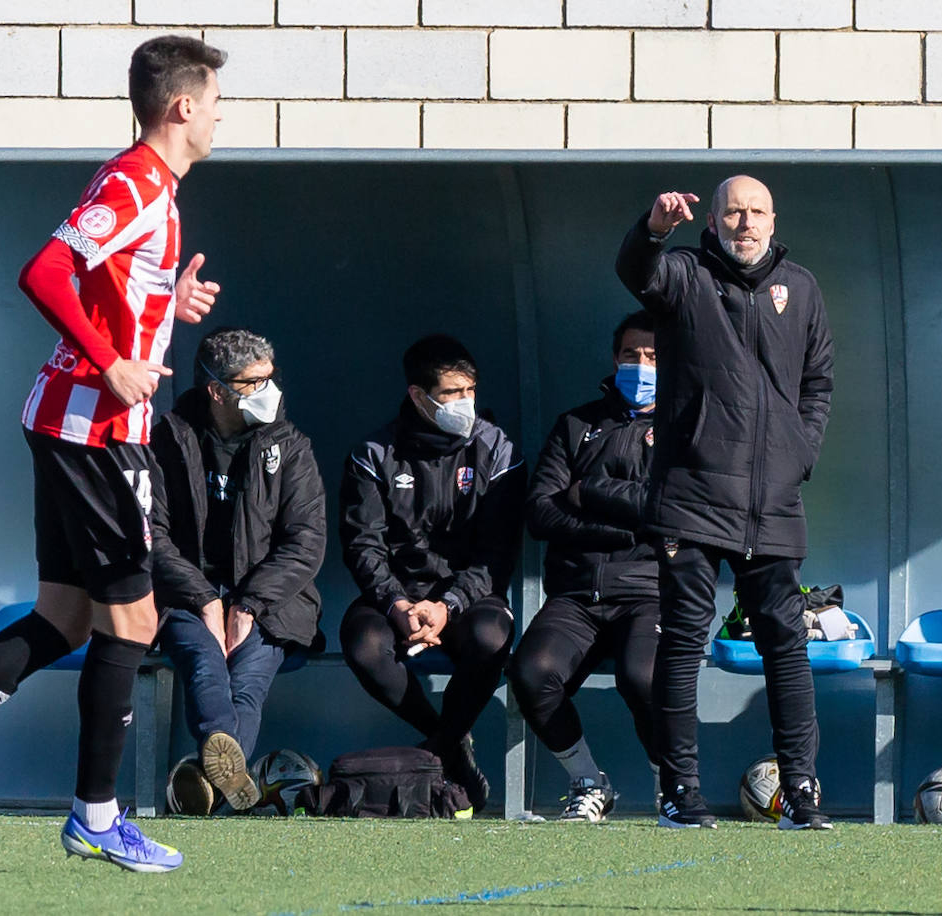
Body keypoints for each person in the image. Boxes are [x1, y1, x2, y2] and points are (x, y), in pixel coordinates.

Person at [0, 35, 226, 873]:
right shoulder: (136, 179)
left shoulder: (154, 192)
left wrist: (165, 302)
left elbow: (101, 282)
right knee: (132, 620)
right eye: (214, 103)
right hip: (92, 430)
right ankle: (95, 816)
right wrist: (111, 363)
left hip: (77, 425)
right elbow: (45, 270)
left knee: (65, 617)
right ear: (181, 107)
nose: (218, 118)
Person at [614, 175, 834, 830]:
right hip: (693, 495)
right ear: (712, 221)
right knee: (682, 642)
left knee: (785, 643)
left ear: (773, 219)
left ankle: (801, 792)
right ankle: (680, 791)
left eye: (756, 211)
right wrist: (654, 229)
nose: (745, 222)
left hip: (771, 501)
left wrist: (801, 452)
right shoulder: (683, 275)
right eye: (733, 212)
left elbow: (819, 380)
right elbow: (636, 271)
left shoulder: (803, 288)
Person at [338, 334, 525, 810]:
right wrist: (397, 604)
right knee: (364, 646)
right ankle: (450, 743)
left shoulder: (497, 449)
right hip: (395, 595)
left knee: (490, 637)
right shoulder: (373, 453)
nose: (465, 403)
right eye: (451, 394)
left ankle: (442, 746)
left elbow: (497, 554)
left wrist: (449, 606)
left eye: (470, 391)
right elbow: (363, 545)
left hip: (468, 596)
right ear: (418, 396)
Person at [151, 327, 325, 815]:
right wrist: (206, 599)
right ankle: (225, 774)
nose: (269, 391)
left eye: (270, 378)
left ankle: (207, 776)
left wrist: (248, 604)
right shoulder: (168, 437)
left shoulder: (291, 446)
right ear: (216, 390)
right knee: (205, 664)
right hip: (187, 593)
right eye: (253, 382)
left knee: (247, 678)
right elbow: (152, 536)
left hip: (271, 600)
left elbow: (306, 542)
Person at [507, 310, 661, 822]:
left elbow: (674, 508)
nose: (641, 365)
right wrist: (620, 529)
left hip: (650, 590)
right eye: (631, 355)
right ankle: (588, 782)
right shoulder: (577, 425)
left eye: (654, 356)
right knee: (532, 672)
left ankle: (674, 783)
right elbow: (540, 511)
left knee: (643, 679)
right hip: (576, 593)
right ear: (614, 359)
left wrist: (588, 492)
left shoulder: (689, 428)